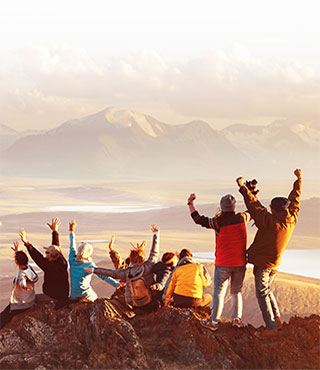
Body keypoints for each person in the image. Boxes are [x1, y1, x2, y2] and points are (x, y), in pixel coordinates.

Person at [236, 169, 302, 333]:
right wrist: (298, 180)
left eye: (271, 208)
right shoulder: (291, 218)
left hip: (264, 264)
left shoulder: (270, 223)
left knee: (262, 293)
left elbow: (255, 207)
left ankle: (271, 327)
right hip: (275, 264)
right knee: (267, 290)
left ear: (274, 210)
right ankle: (276, 319)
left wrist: (243, 188)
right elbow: (295, 200)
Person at [187, 193, 250, 330]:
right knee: (236, 292)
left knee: (219, 294)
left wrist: (191, 204)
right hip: (240, 262)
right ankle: (237, 319)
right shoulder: (242, 218)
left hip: (223, 263)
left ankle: (214, 322)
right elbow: (251, 211)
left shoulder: (217, 222)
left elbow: (198, 219)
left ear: (222, 207)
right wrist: (252, 194)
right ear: (234, 207)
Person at [84, 224, 159, 312]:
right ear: (142, 258)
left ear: (130, 259)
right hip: (150, 301)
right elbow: (154, 252)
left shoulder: (126, 272)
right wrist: (156, 234)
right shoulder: (147, 267)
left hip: (135, 304)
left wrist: (94, 270)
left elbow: (110, 273)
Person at [19, 218, 69, 309]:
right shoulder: (61, 260)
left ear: (52, 256)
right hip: (63, 295)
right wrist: (55, 231)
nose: (45, 254)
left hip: (53, 297)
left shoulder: (50, 267)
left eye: (47, 253)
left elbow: (37, 257)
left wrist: (26, 243)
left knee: (31, 300)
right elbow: (56, 246)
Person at [68, 220, 119, 302]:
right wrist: (117, 285)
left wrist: (71, 231)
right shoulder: (89, 265)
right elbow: (104, 276)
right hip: (86, 295)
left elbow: (72, 246)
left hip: (73, 296)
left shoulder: (72, 260)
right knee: (95, 297)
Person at [1, 242, 39, 329]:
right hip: (30, 300)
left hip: (21, 305)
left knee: (3, 317)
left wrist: (25, 287)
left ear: (16, 262)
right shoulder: (29, 267)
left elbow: (22, 282)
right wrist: (17, 251)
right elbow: (23, 259)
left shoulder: (22, 274)